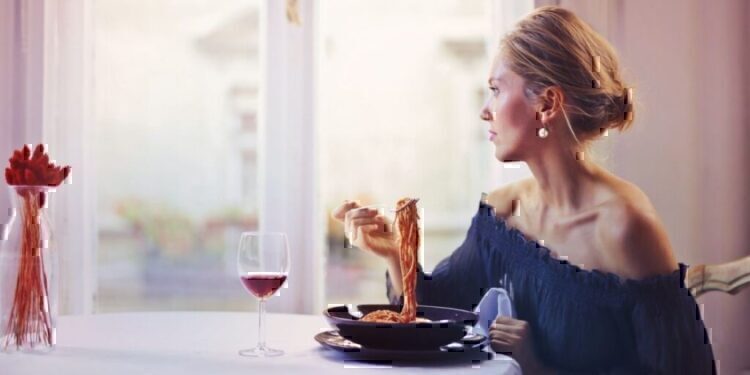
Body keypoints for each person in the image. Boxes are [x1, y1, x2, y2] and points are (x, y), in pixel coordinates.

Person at [331, 5, 715, 374]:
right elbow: (439, 316)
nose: (485, 110)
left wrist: (538, 367)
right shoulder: (503, 214)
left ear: (546, 104)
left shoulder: (625, 226)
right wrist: (396, 255)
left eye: (496, 89)